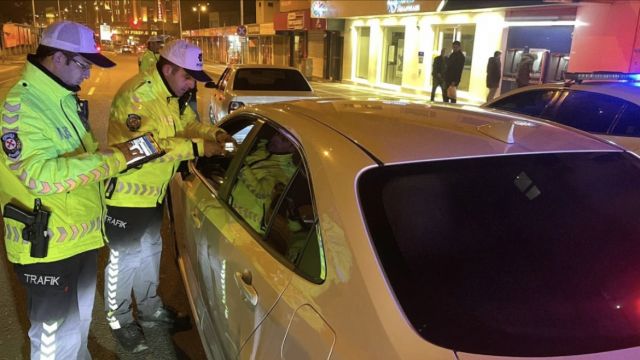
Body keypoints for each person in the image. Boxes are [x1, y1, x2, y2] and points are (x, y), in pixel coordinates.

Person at [0, 21, 146, 359]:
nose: (88, 75)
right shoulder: (23, 106)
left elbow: (83, 161)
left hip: (77, 236)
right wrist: (112, 160)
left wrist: (117, 163)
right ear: (57, 58)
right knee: (53, 339)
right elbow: (38, 176)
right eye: (83, 65)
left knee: (77, 329)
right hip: (47, 246)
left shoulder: (63, 99)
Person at [103, 39, 231, 353]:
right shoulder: (138, 96)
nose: (191, 84)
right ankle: (119, 319)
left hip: (152, 196)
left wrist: (213, 133)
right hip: (126, 198)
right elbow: (148, 147)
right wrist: (201, 148)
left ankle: (149, 310)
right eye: (188, 77)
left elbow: (186, 124)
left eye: (194, 79)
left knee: (149, 255)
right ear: (169, 68)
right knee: (123, 262)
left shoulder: (170, 95)